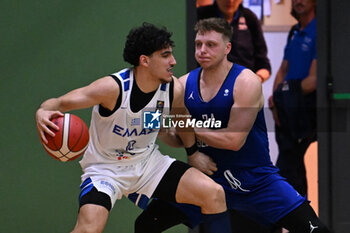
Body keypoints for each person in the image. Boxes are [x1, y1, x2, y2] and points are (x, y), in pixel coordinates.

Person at [135, 18, 330, 233]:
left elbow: (233, 140)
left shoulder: (246, 81)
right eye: (199, 44)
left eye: (211, 45)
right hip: (208, 178)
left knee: (315, 230)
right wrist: (161, 130)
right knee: (145, 224)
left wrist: (186, 125)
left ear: (227, 48)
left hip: (256, 179)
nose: (202, 50)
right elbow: (177, 137)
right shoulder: (182, 84)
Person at [35, 22, 233, 233]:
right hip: (105, 170)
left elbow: (181, 118)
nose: (173, 61)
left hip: (148, 164)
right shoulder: (112, 88)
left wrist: (193, 153)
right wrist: (42, 111)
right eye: (165, 55)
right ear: (144, 60)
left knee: (214, 194)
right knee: (89, 229)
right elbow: (58, 103)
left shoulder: (173, 88)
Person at [269, 0, 317, 198]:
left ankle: (288, 219)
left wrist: (285, 93)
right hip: (287, 108)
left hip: (306, 110)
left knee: (287, 167)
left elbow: (314, 80)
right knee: (292, 167)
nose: (298, 1)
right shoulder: (294, 31)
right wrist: (276, 101)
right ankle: (302, 221)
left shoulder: (320, 31)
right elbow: (283, 69)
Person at [197, 0, 271, 83]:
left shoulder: (249, 17)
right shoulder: (200, 16)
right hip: (208, 86)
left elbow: (263, 63)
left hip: (244, 87)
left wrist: (256, 80)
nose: (230, 1)